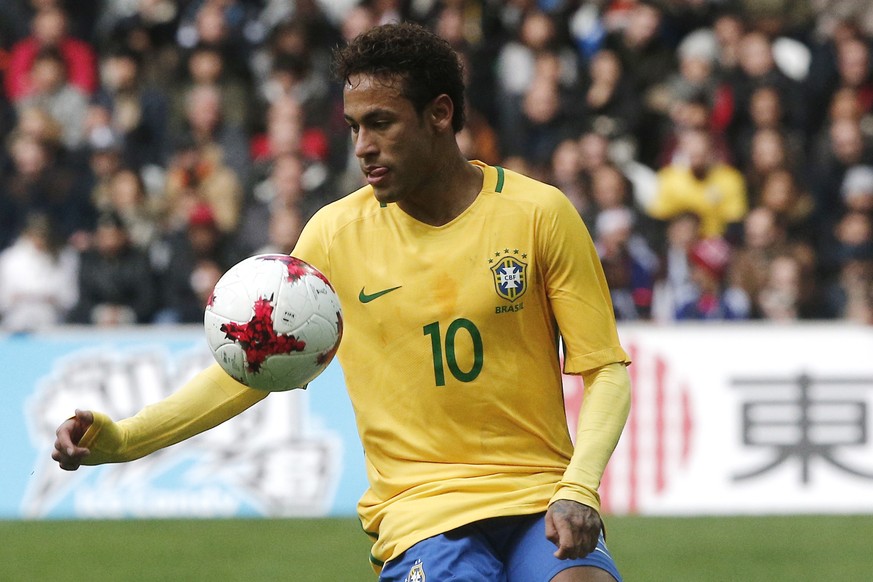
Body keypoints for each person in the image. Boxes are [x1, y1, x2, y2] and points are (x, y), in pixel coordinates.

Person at [52, 23, 631, 582]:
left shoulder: (539, 214)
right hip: (420, 514)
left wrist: (579, 486)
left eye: (380, 123)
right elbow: (250, 370)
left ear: (440, 114)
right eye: (353, 126)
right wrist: (126, 439)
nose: (363, 147)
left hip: (540, 496)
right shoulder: (333, 236)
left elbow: (605, 368)